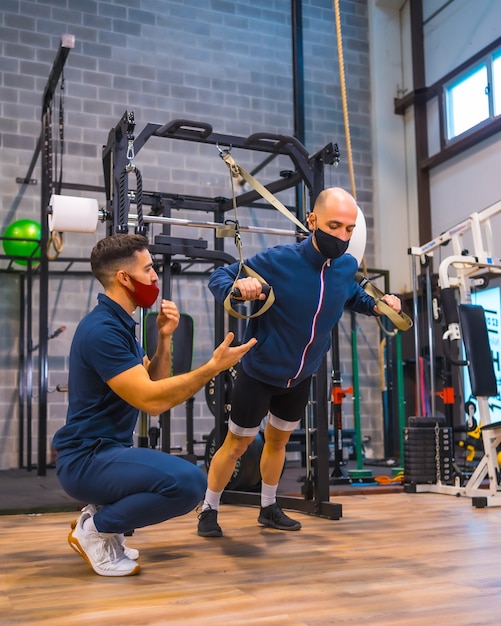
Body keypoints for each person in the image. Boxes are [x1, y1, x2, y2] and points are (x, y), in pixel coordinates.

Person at [197, 187, 402, 537]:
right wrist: (239, 288)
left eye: (349, 230)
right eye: (335, 225)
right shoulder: (279, 260)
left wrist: (381, 305)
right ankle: (208, 510)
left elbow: (350, 295)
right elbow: (219, 277)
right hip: (260, 370)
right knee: (237, 444)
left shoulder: (346, 266)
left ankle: (268, 506)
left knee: (278, 442)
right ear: (313, 220)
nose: (342, 236)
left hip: (301, 375)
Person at [52, 233, 256, 577]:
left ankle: (103, 528)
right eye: (148, 269)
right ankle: (95, 530)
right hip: (87, 459)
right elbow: (151, 401)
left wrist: (164, 339)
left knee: (179, 478)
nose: (155, 277)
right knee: (189, 483)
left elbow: (154, 384)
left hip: (106, 452)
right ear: (123, 278)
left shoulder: (120, 324)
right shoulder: (102, 330)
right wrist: (212, 367)